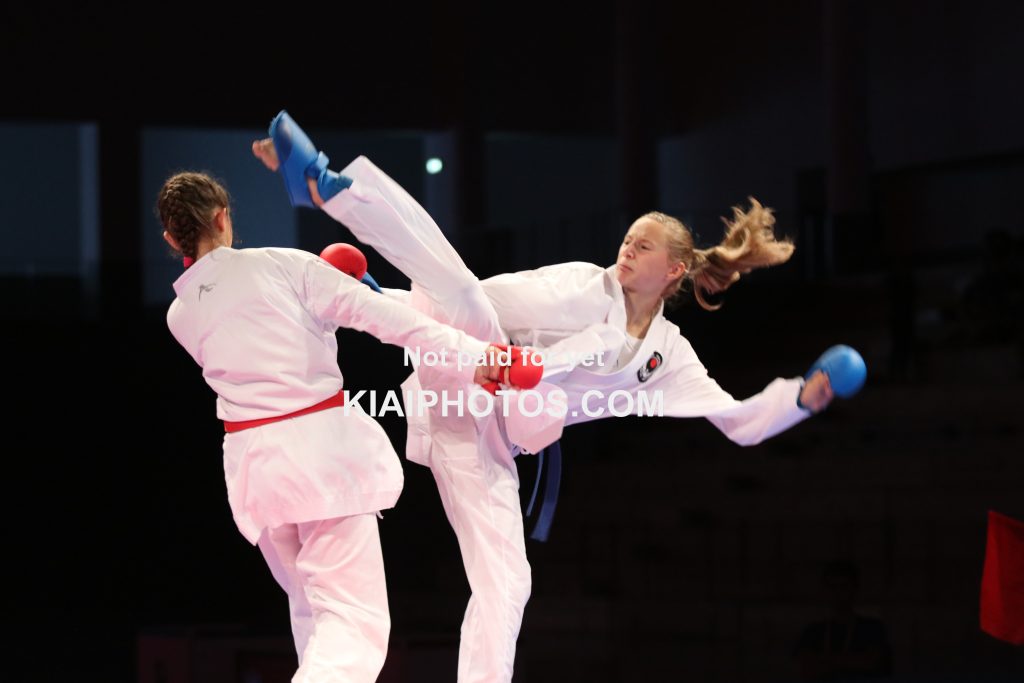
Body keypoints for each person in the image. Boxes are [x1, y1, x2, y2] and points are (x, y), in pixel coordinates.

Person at [252, 111, 850, 683]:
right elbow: (468, 304)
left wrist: (804, 398)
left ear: (674, 271)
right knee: (464, 292)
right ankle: (327, 186)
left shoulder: (669, 358)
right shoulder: (582, 287)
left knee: (508, 582)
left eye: (644, 247)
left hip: (485, 437)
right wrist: (392, 302)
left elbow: (737, 420)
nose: (627, 250)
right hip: (474, 365)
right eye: (629, 238)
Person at [157, 169, 534, 682]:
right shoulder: (283, 266)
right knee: (354, 626)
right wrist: (481, 356)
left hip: (256, 476)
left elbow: (262, 331)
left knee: (313, 614)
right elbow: (391, 321)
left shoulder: (180, 315)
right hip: (319, 464)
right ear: (223, 217)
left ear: (171, 238)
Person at [794, 560, 893, 680]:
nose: (837, 593)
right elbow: (806, 668)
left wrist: (824, 660)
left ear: (854, 590)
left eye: (843, 587)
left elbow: (872, 663)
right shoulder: (813, 631)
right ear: (825, 590)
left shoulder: (872, 628)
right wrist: (853, 661)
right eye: (832, 587)